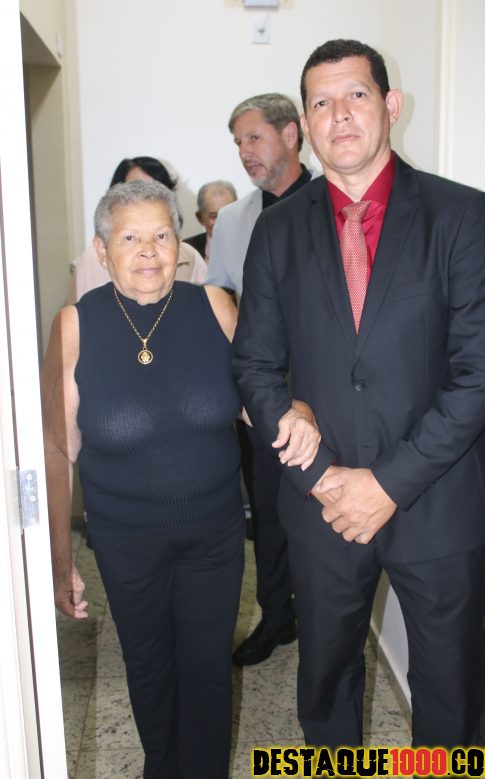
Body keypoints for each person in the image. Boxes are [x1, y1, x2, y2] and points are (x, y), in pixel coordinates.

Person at [232, 39, 485, 779]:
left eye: (355, 95)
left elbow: (481, 372)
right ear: (306, 126)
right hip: (320, 505)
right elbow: (254, 365)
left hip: (440, 500)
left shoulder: (464, 215)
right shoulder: (277, 233)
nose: (340, 115)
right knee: (324, 675)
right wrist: (326, 480)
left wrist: (385, 484)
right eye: (321, 102)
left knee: (449, 686)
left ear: (390, 105)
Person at [42, 180, 245, 779]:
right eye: (130, 237)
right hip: (126, 541)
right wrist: (58, 559)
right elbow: (58, 450)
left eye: (162, 234)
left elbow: (262, 406)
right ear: (102, 250)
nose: (150, 250)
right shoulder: (77, 325)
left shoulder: (214, 307)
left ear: (180, 244)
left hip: (214, 535)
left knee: (207, 668)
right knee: (149, 663)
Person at [207, 93, 317, 668]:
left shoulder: (333, 202)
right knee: (270, 512)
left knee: (324, 507)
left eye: (254, 137)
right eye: (238, 142)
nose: (245, 151)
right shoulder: (232, 220)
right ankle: (277, 616)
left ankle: (325, 615)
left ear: (291, 134)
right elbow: (218, 292)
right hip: (264, 391)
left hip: (331, 386)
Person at [67, 155, 206, 302]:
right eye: (134, 190)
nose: (148, 251)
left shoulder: (190, 257)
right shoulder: (92, 259)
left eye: (156, 190)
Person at [184, 180, 237, 262]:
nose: (222, 222)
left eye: (228, 214)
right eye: (214, 216)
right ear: (200, 218)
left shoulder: (253, 246)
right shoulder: (185, 251)